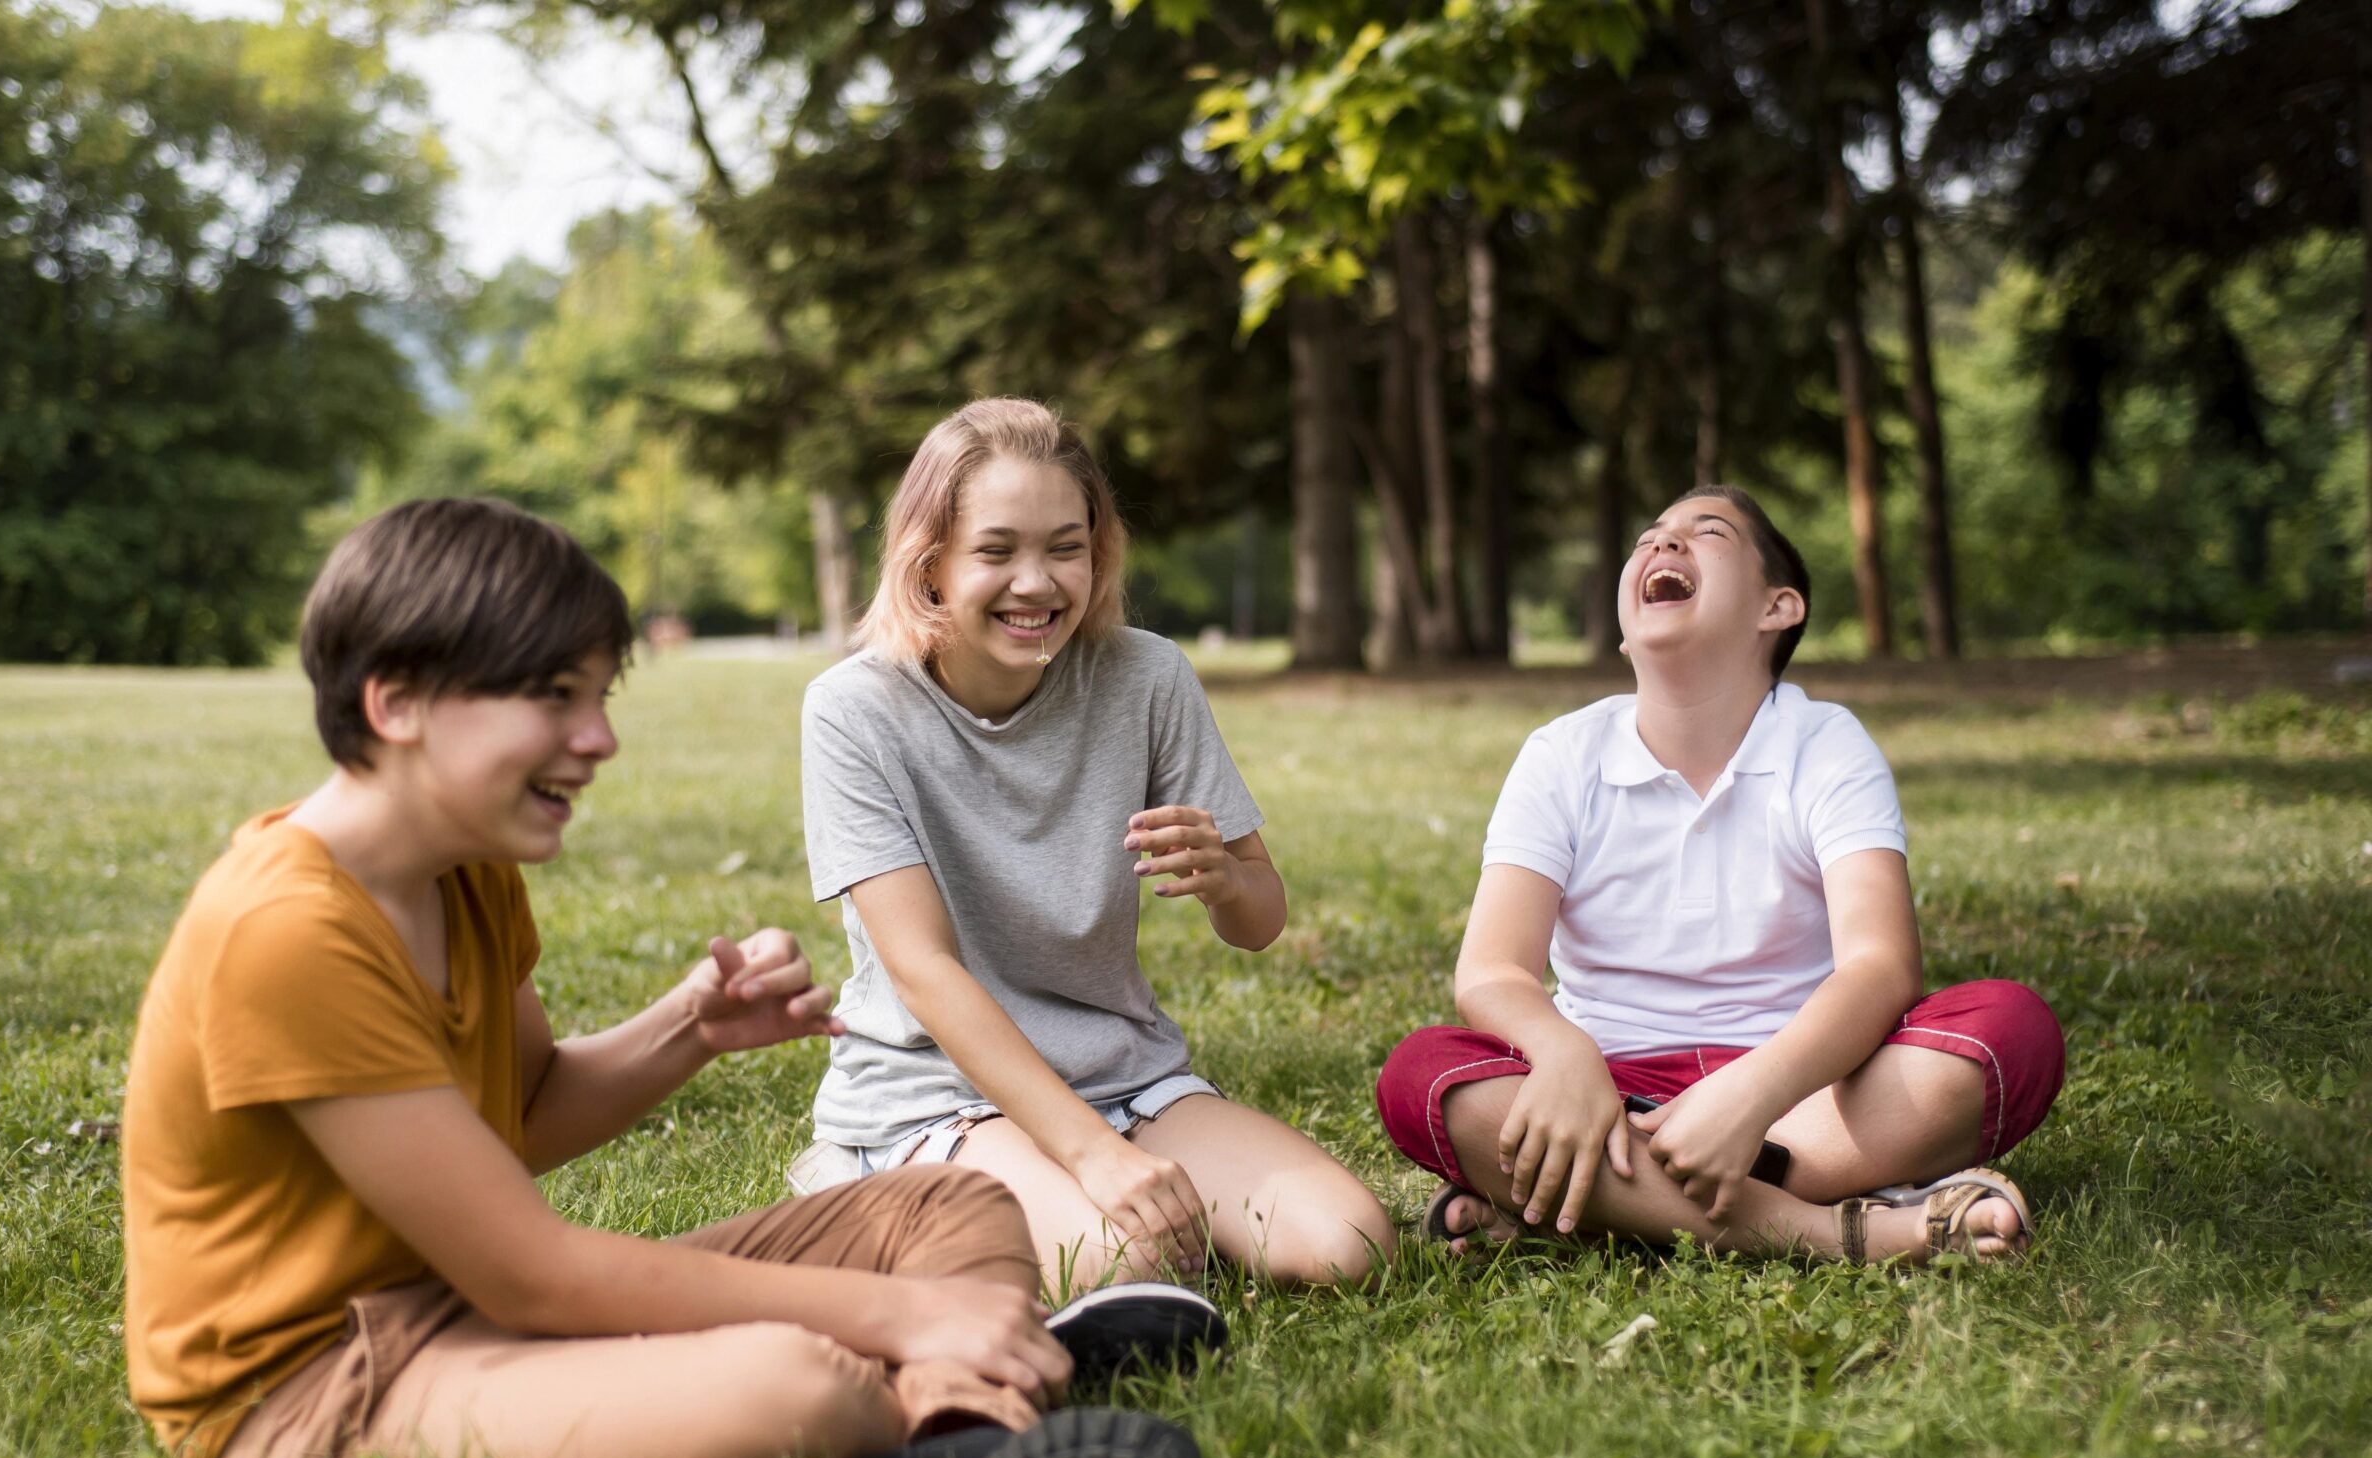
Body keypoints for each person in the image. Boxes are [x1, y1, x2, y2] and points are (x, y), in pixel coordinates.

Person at [118, 496, 1202, 1458]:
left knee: (950, 1205)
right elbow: (530, 1273)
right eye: (554, 696)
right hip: (319, 1387)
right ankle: (957, 1389)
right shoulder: (286, 930)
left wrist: (689, 1026)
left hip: (464, 1315)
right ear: (397, 702)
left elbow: (525, 1113)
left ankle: (951, 1424)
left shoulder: (464, 870)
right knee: (784, 1383)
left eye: (598, 695)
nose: (598, 738)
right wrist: (896, 1319)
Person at [792, 398, 1396, 1295]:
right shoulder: (854, 710)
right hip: (939, 1089)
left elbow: (1261, 920)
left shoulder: (1148, 677)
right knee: (1122, 1266)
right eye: (996, 550)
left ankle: (1048, 1187)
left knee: (1350, 1244)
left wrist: (1227, 878)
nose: (1035, 582)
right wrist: (1093, 1158)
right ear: (930, 562)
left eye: (1064, 547)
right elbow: (922, 969)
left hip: (1126, 1075)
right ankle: (864, 1173)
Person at [1376, 485, 2065, 1265]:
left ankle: (1596, 1201)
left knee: (2013, 1029)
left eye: (1707, 534)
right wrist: (1566, 1059)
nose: (1663, 546)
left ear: (1778, 608)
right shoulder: (1561, 753)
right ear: (1627, 632)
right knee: (1421, 1073)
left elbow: (1881, 965)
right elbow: (1493, 970)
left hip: (1801, 1094)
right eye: (1650, 537)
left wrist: (1750, 1098)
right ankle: (1853, 1231)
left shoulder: (1826, 743)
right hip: (1601, 1086)